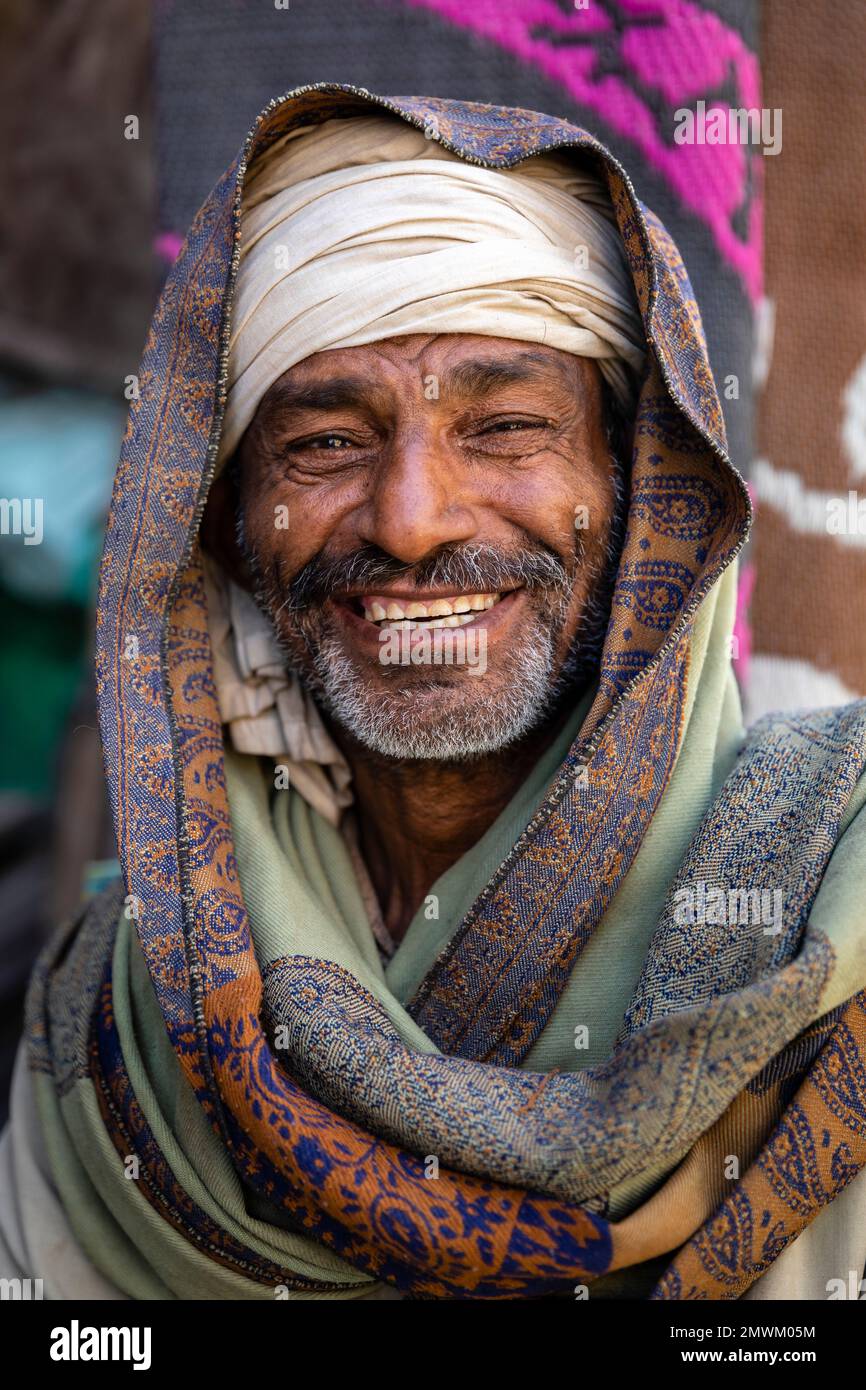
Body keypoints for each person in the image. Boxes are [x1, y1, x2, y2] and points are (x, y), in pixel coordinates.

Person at [1, 85, 865, 1301]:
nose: (411, 521)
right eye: (322, 444)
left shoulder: (837, 905)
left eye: (506, 428)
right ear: (232, 524)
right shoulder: (122, 1011)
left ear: (642, 498)